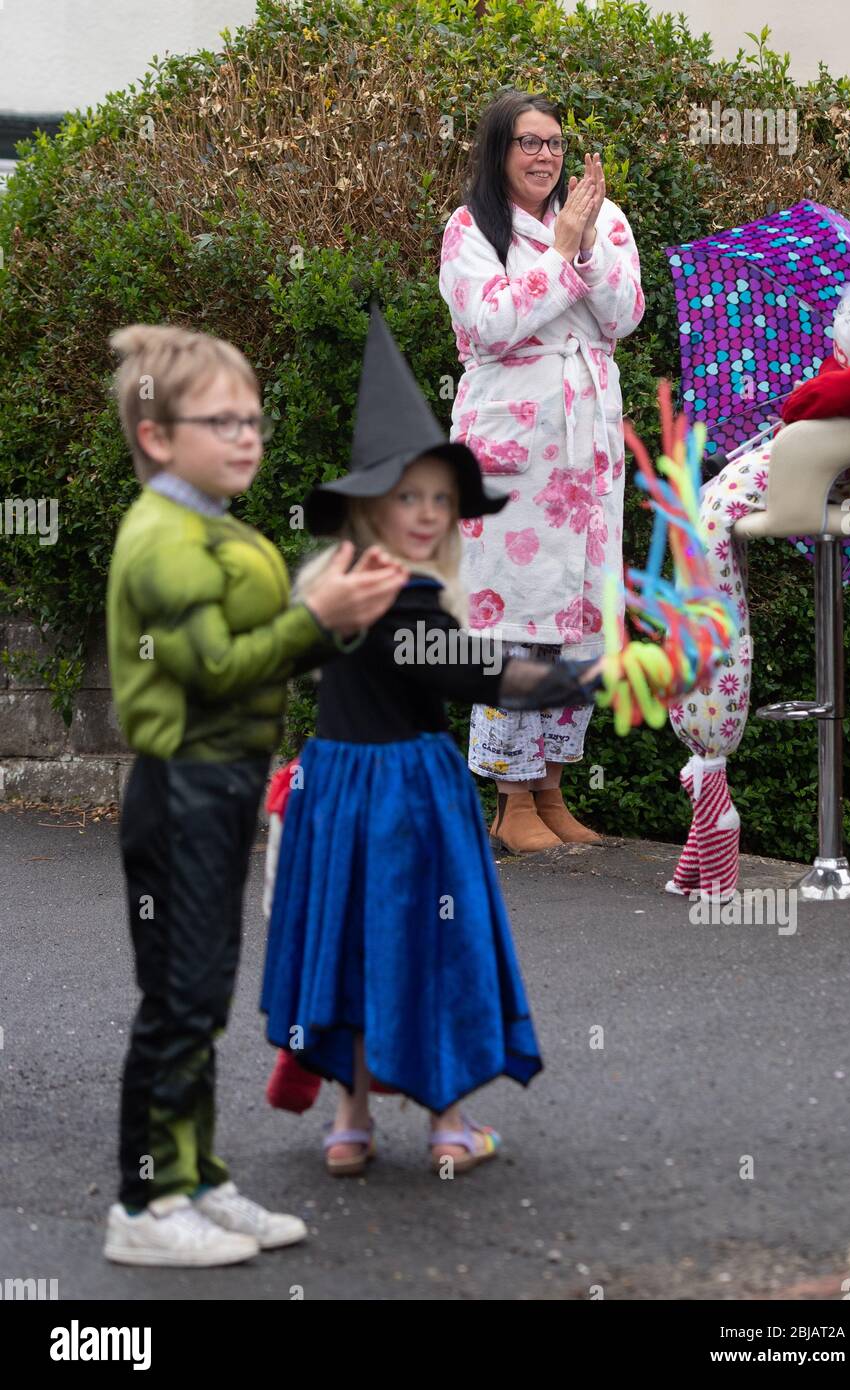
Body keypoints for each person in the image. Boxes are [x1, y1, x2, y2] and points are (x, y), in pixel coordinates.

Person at [261, 303, 614, 1177]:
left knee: (347, 943)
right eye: (405, 496)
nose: (425, 513)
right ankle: (449, 1125)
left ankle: (349, 1126)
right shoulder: (399, 596)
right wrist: (588, 677)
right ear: (369, 508)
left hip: (332, 788)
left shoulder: (336, 582)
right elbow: (475, 673)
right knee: (431, 947)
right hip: (403, 797)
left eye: (438, 499)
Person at [102, 322, 406, 1265]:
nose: (248, 437)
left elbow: (262, 649)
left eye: (254, 420)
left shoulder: (213, 527)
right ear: (157, 436)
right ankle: (145, 1207)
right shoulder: (161, 536)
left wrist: (329, 619)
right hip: (183, 789)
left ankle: (192, 1178)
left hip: (222, 788)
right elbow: (216, 670)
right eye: (222, 420)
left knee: (201, 996)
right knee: (179, 1001)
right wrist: (317, 619)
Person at [438, 89, 645, 853]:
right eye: (527, 142)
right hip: (511, 453)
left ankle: (552, 790)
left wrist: (586, 244)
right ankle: (509, 800)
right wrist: (558, 251)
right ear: (498, 151)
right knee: (515, 619)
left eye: (553, 143)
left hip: (586, 450)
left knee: (582, 624)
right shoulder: (469, 230)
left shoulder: (606, 218)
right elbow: (489, 324)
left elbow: (622, 318)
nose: (543, 155)